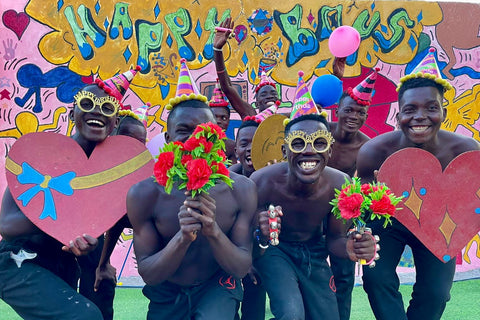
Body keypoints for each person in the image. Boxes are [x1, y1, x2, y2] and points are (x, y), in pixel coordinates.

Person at [126, 59, 257, 319]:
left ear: (217, 136)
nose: (194, 139)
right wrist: (182, 238)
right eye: (183, 131)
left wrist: (212, 231)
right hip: (167, 292)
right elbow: (149, 274)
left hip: (217, 286)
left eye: (203, 132)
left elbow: (241, 267)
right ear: (167, 139)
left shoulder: (242, 189)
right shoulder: (144, 194)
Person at [356, 49, 480, 320]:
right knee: (376, 279)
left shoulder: (466, 151)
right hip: (389, 221)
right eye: (410, 110)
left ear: (443, 112)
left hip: (439, 222)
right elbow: (360, 208)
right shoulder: (374, 152)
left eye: (431, 108)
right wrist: (373, 199)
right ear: (398, 115)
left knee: (437, 292)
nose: (420, 117)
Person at [0, 76, 129, 319]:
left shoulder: (109, 174)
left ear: (115, 122)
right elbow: (7, 226)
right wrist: (67, 219)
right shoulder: (43, 157)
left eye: (107, 108)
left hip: (66, 263)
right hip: (20, 259)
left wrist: (102, 262)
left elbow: (120, 219)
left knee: (101, 297)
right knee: (84, 316)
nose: (97, 112)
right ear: (72, 114)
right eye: (88, 104)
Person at [250, 72, 376, 320]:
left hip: (315, 252)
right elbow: (246, 232)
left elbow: (336, 239)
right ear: (285, 151)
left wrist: (351, 248)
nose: (309, 151)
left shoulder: (341, 184)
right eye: (298, 144)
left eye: (319, 143)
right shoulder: (262, 182)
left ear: (330, 150)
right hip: (277, 251)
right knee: (291, 313)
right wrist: (256, 243)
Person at [80, 104, 149, 320]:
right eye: (128, 139)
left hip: (95, 246)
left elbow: (119, 218)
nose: (133, 147)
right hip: (72, 241)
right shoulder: (93, 159)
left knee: (101, 289)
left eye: (140, 143)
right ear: (114, 135)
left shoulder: (138, 173)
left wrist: (104, 263)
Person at [213, 17, 346, 120]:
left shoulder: (287, 118)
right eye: (263, 94)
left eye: (273, 93)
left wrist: (335, 78)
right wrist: (217, 49)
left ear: (280, 100)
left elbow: (313, 106)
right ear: (257, 103)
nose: (269, 96)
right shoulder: (250, 115)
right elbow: (227, 88)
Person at [326, 68, 379, 320]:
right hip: (309, 210)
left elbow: (366, 187)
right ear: (338, 111)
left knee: (344, 276)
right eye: (349, 110)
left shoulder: (368, 147)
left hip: (345, 215)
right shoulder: (321, 132)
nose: (354, 116)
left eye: (361, 113)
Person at [209, 78, 237, 164]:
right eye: (214, 117)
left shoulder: (231, 146)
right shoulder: (198, 143)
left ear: (228, 120)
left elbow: (233, 173)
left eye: (223, 118)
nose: (218, 121)